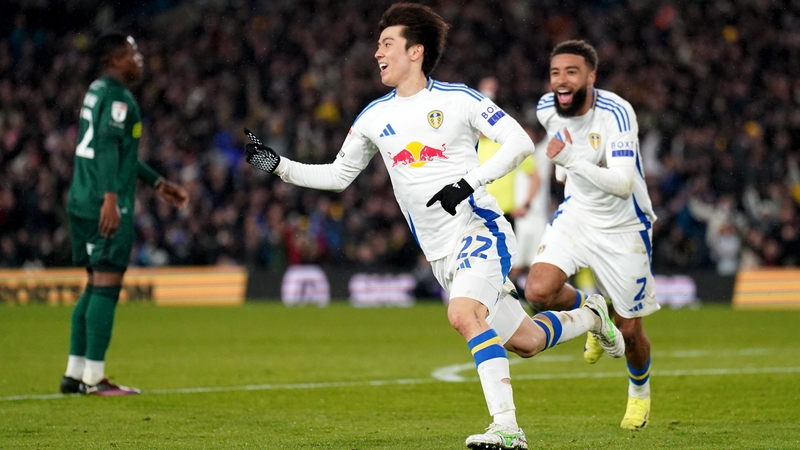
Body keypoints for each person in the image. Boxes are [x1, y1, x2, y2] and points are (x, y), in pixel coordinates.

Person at [243, 5, 624, 449]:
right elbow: (338, 176)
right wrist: (278, 166)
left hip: (480, 230)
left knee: (463, 315)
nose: (377, 53)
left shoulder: (458, 99)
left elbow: (519, 141)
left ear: (416, 51)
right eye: (378, 44)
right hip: (441, 253)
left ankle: (508, 428)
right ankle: (594, 314)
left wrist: (469, 183)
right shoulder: (372, 117)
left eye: (387, 44)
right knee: (526, 340)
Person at [525, 40, 659, 430]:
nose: (561, 81)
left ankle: (639, 393)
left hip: (623, 227)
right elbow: (562, 151)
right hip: (577, 216)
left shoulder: (616, 114)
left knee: (630, 329)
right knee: (537, 292)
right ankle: (593, 308)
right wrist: (565, 169)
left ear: (591, 77)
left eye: (571, 72)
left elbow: (621, 183)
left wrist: (568, 160)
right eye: (554, 73)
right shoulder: (546, 108)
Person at [59, 33, 189, 396]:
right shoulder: (119, 99)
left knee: (94, 284)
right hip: (103, 202)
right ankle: (94, 379)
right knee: (106, 286)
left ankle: (75, 373)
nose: (140, 58)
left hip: (81, 198)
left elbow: (117, 151)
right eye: (133, 53)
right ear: (116, 60)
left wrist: (157, 182)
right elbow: (104, 147)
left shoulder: (97, 90)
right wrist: (111, 200)